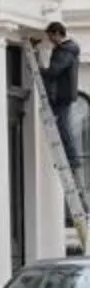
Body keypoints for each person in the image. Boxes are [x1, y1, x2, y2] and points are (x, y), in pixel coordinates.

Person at [38, 22, 88, 187]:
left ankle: (72, 160)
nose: (50, 40)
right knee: (62, 126)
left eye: (51, 36)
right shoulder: (67, 50)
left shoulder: (65, 51)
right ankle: (70, 159)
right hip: (62, 94)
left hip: (61, 95)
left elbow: (54, 71)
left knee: (63, 127)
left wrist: (40, 69)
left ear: (58, 33)